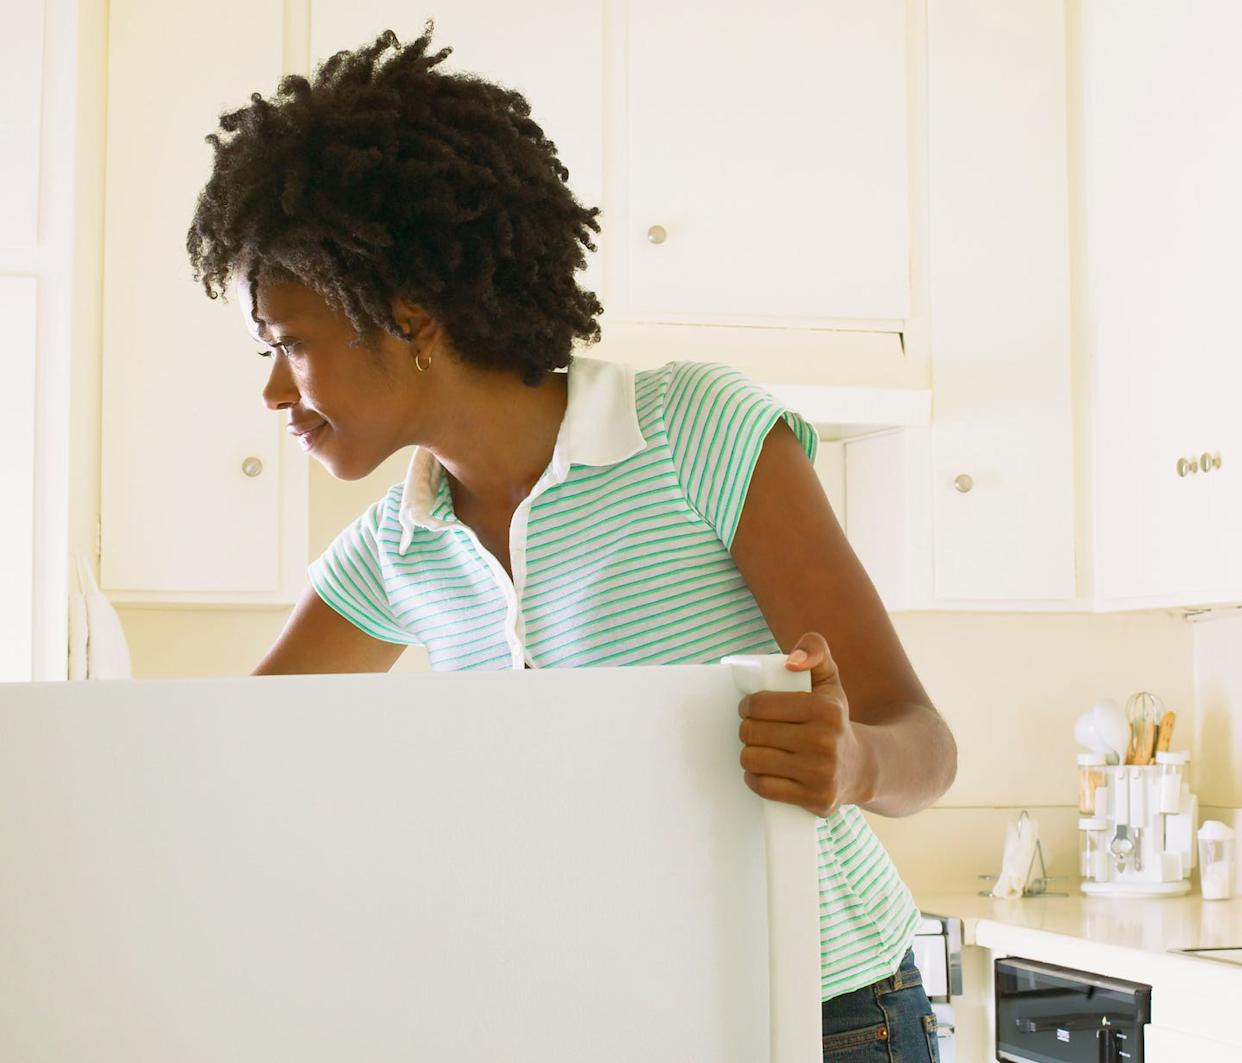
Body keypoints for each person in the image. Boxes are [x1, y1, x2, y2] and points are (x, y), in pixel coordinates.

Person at [186, 22, 957, 1059]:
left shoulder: (692, 432)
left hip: (827, 1010)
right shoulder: (395, 548)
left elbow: (923, 742)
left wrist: (855, 758)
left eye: (291, 344)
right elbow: (231, 768)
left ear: (410, 315)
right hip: (594, 1020)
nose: (273, 390)